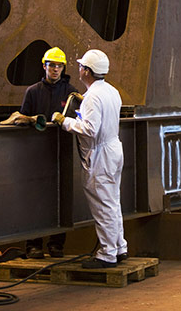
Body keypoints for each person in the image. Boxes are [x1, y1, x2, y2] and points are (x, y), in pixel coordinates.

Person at [52, 49, 127, 269]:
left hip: (100, 155)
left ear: (87, 71)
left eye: (81, 67)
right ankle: (119, 247)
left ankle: (107, 254)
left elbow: (90, 130)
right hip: (113, 150)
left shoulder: (93, 96)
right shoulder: (111, 91)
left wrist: (64, 121)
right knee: (112, 202)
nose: (79, 70)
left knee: (103, 205)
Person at [21, 46, 78, 259]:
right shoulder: (33, 92)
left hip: (61, 152)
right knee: (35, 199)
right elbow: (23, 117)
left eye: (59, 66)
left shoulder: (70, 92)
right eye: (52, 65)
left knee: (60, 197)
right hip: (36, 154)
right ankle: (33, 245)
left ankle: (56, 244)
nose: (55, 69)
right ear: (44, 66)